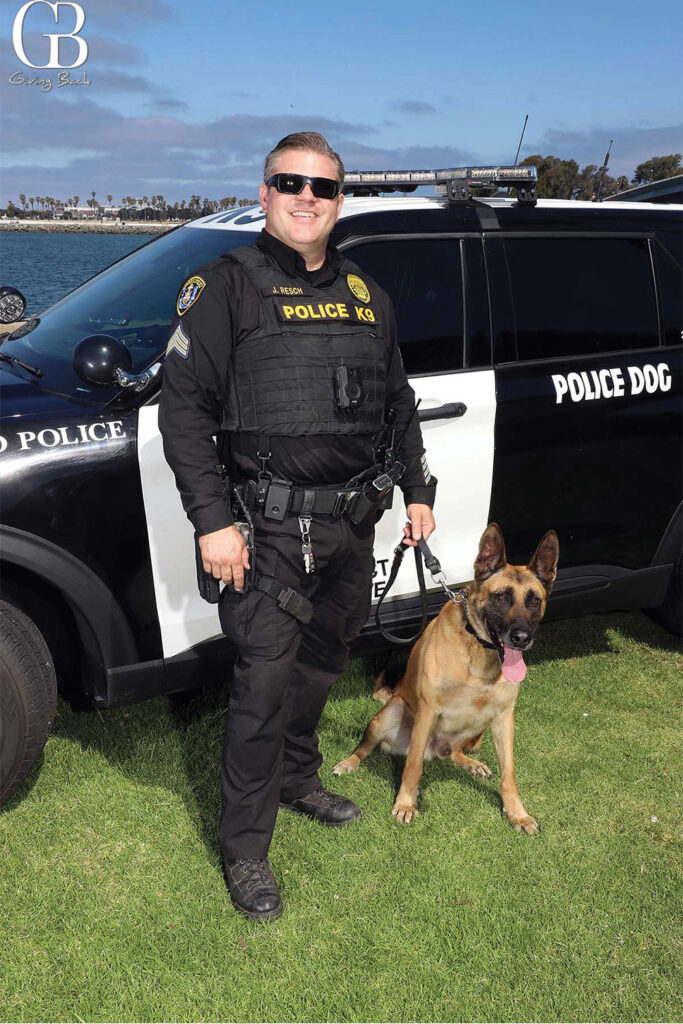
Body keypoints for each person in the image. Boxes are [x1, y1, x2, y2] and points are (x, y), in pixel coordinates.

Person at [159, 131, 436, 922]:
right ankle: (245, 848)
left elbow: (397, 404)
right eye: (290, 183)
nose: (306, 197)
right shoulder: (223, 290)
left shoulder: (365, 294)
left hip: (351, 525)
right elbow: (184, 415)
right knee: (262, 686)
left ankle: (296, 776)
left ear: (339, 199)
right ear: (265, 191)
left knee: (321, 665)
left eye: (322, 186)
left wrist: (416, 488)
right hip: (266, 532)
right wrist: (215, 523)